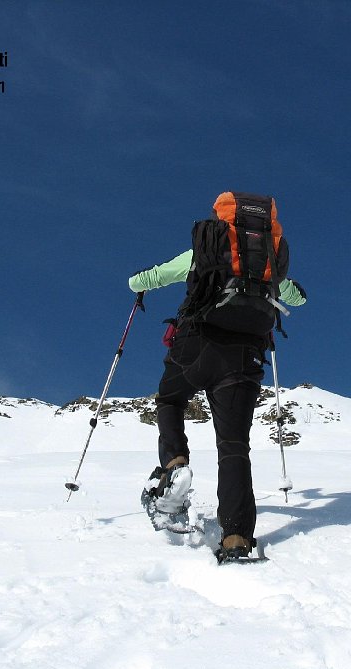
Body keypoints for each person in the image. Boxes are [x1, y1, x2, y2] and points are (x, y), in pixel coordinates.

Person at [128, 192, 306, 561]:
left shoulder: (207, 248)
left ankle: (174, 466)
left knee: (171, 399)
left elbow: (156, 276)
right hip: (244, 357)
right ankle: (237, 537)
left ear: (222, 215)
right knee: (234, 446)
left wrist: (137, 283)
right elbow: (296, 297)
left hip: (197, 343)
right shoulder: (270, 259)